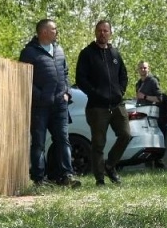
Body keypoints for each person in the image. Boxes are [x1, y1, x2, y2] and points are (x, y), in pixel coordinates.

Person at [18, 18, 79, 188]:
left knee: (63, 139)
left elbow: (65, 73)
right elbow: (24, 79)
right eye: (54, 29)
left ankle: (66, 176)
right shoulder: (29, 52)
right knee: (39, 143)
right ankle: (39, 179)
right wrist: (40, 96)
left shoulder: (59, 49)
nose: (56, 31)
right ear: (44, 32)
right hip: (40, 107)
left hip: (60, 105)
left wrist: (67, 92)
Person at [76, 19, 129, 185]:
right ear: (95, 32)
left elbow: (123, 75)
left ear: (110, 33)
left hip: (117, 104)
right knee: (98, 143)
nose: (102, 33)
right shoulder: (87, 53)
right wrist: (96, 94)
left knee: (125, 135)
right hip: (97, 107)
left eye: (105, 31)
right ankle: (100, 179)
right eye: (99, 30)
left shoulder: (115, 53)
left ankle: (110, 165)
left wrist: (120, 91)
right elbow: (81, 79)